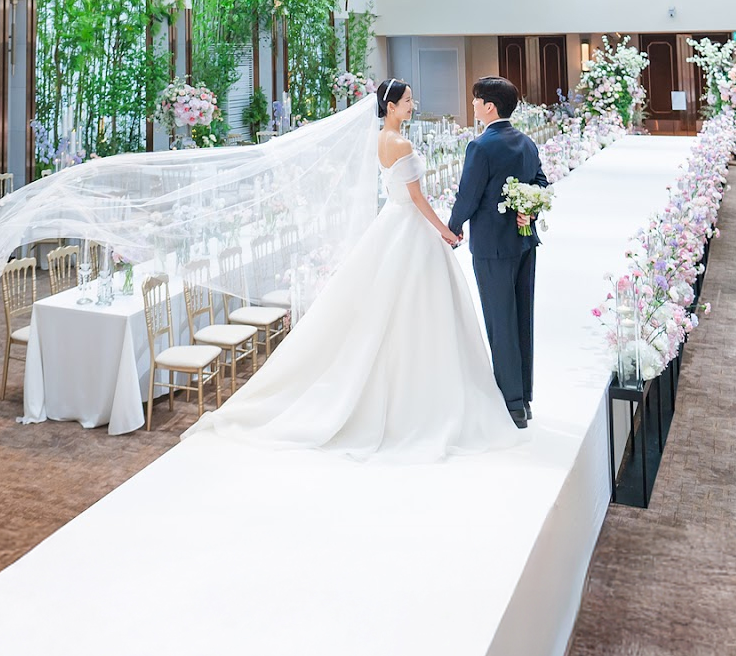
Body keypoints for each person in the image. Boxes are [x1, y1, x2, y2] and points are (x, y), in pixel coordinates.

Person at [184, 78, 521, 460]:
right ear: (391, 106)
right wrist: (444, 229)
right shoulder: (402, 143)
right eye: (408, 100)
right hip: (409, 226)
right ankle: (423, 395)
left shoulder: (380, 139)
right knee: (420, 308)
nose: (413, 104)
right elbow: (416, 197)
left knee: (388, 307)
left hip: (392, 225)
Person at [448, 75, 546, 429]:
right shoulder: (526, 142)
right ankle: (525, 399)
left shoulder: (481, 146)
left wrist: (453, 227)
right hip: (525, 242)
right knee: (522, 318)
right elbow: (541, 183)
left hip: (492, 247)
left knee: (499, 321)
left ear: (489, 106)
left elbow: (468, 196)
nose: (473, 105)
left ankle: (511, 403)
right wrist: (530, 209)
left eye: (476, 100)